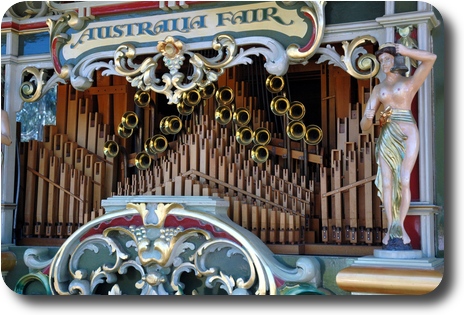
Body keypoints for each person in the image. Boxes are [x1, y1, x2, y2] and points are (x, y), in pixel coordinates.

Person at [360, 43, 436, 248]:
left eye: (387, 59)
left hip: (408, 132)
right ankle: (390, 226)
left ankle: (400, 226)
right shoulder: (378, 89)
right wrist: (368, 118)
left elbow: (431, 58)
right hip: (387, 134)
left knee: (403, 180)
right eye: (381, 61)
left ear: (395, 60)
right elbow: (364, 126)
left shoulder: (410, 83)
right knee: (386, 183)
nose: (384, 63)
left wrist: (405, 51)